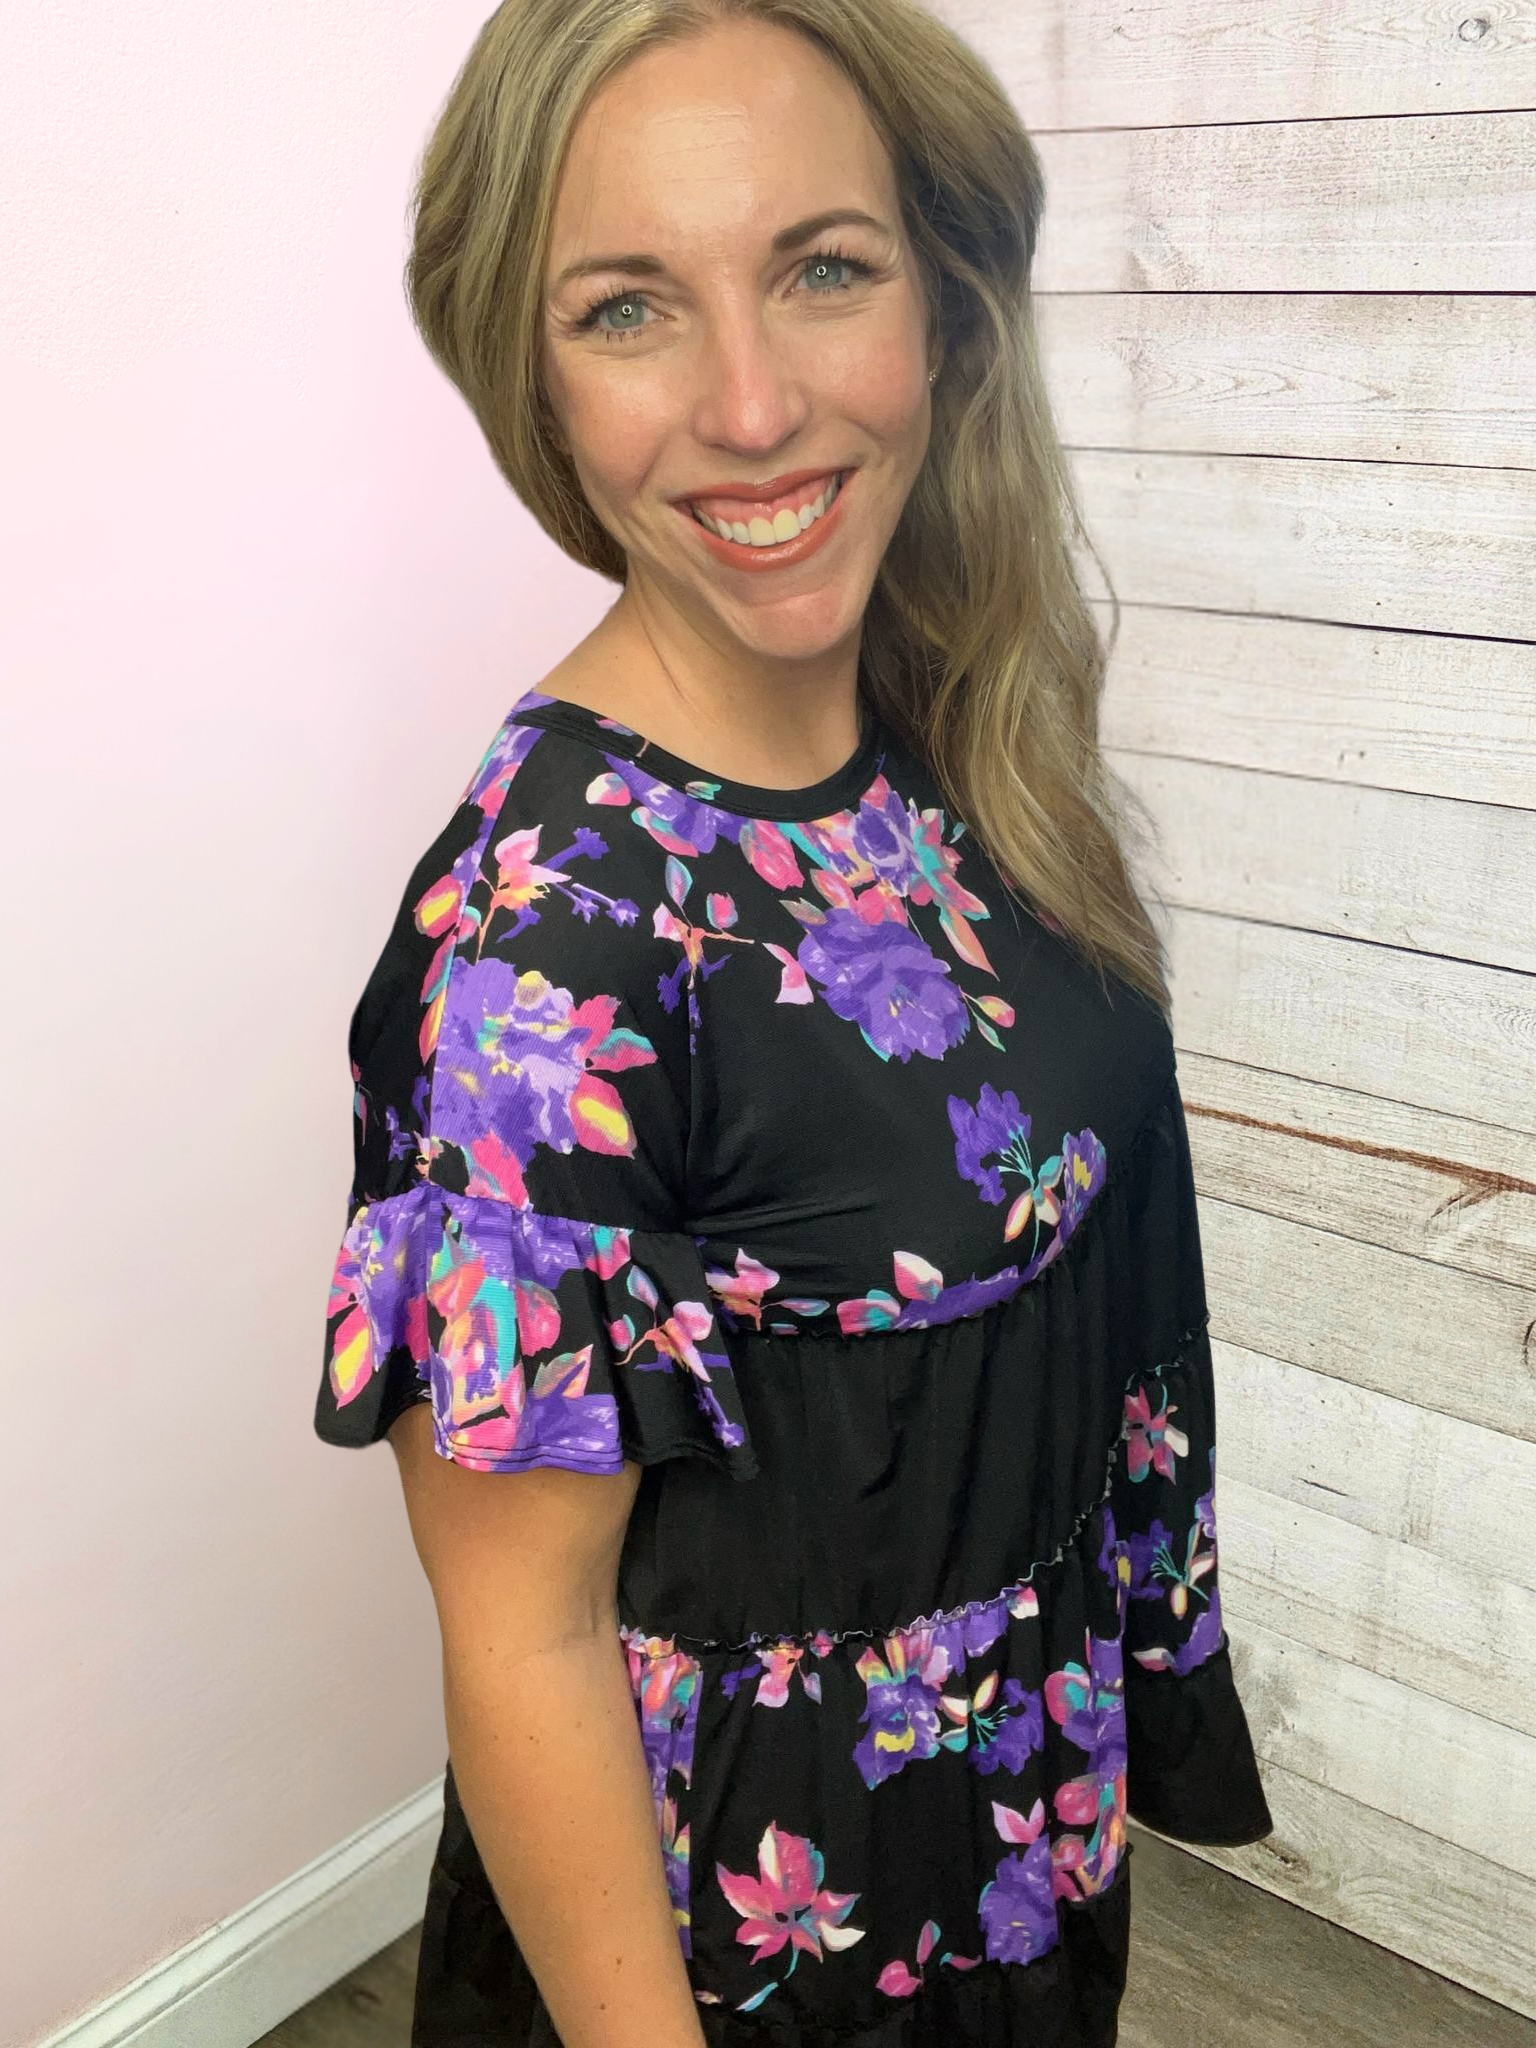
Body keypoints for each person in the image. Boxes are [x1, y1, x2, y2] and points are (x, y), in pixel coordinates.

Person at [313, 2, 1273, 2042]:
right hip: (747, 1958)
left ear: (941, 297)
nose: (751, 407)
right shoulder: (547, 942)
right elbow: (526, 1640)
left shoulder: (954, 728)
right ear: (534, 377)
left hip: (1010, 1844)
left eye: (823, 269)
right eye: (628, 308)